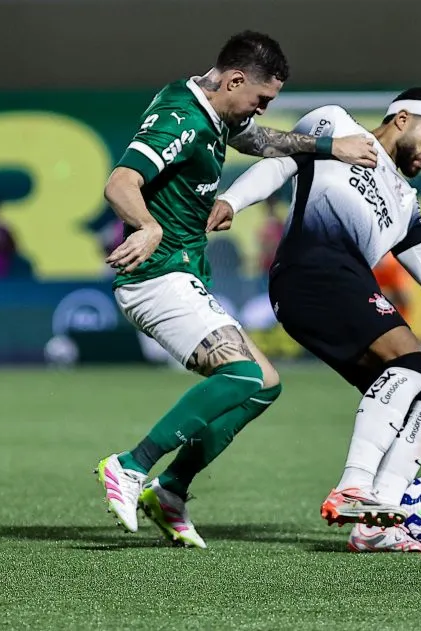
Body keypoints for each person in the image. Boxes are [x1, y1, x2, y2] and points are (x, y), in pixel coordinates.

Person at [212, 87, 421, 553]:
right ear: (402, 118)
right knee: (411, 364)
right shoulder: (336, 124)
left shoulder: (406, 203)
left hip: (342, 287)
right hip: (309, 275)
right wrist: (231, 200)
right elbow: (280, 161)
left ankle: (376, 521)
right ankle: (354, 487)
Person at [95, 30, 378, 549]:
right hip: (157, 275)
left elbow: (258, 140)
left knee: (264, 384)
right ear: (234, 79)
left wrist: (330, 148)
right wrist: (149, 226)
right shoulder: (180, 119)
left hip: (181, 274)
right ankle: (131, 466)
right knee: (245, 372)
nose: (262, 109)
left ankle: (172, 491)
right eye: (261, 98)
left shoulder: (212, 111)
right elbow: (120, 183)